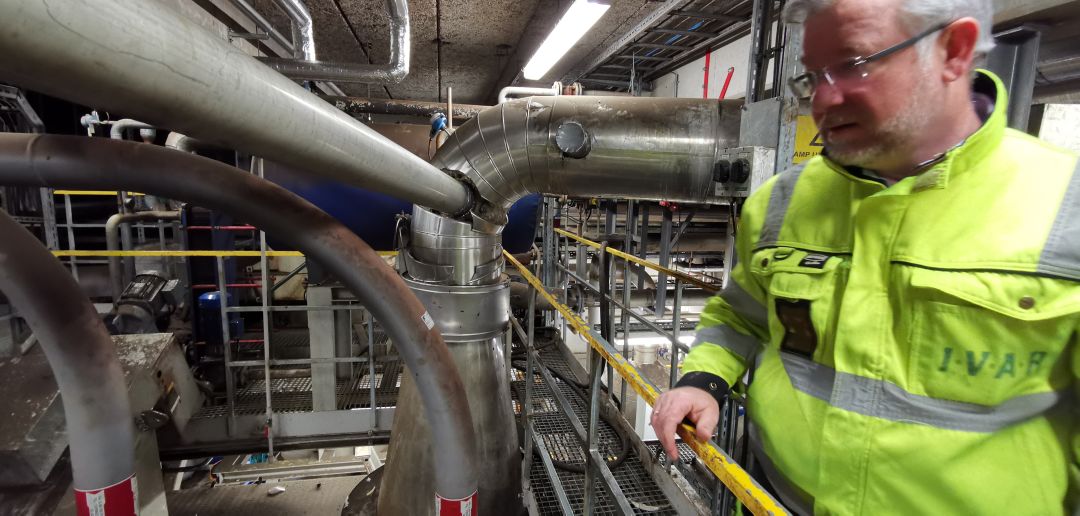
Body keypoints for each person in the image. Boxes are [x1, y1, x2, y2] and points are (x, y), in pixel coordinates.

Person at [649, 0, 1080, 513]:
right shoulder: (781, 202)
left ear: (954, 50)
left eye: (854, 64)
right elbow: (739, 317)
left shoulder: (1066, 206)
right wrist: (705, 380)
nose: (824, 101)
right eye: (812, 77)